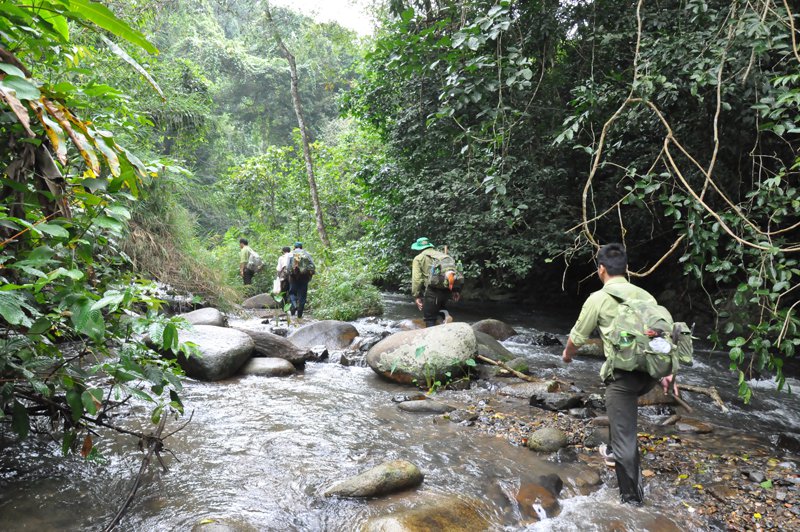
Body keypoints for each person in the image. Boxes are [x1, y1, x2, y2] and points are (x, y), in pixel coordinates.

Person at [561, 243, 679, 505]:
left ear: (601, 269)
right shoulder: (646, 296)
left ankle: (633, 501)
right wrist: (667, 374)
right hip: (649, 374)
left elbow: (577, 336)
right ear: (626, 269)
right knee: (619, 413)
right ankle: (612, 450)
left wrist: (568, 355)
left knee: (626, 435)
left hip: (624, 378)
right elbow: (659, 336)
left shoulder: (598, 299)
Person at [410, 237, 460, 327]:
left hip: (432, 290)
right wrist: (455, 290)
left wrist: (416, 296)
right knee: (441, 308)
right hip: (447, 289)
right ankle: (446, 316)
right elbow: (452, 273)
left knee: (430, 318)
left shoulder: (418, 258)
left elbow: (417, 279)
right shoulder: (443, 256)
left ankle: (433, 338)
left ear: (419, 248)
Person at [287, 242, 314, 318]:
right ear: (301, 247)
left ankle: (294, 305)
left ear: (294, 247)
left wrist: (290, 274)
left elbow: (288, 267)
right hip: (304, 277)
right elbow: (312, 265)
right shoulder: (306, 253)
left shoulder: (291, 254)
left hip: (293, 277)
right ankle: (299, 315)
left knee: (292, 293)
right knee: (303, 295)